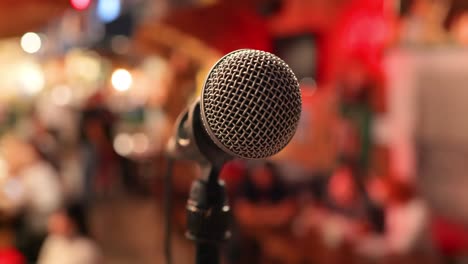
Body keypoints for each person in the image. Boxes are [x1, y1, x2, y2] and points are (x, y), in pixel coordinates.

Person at [0, 134, 63, 262]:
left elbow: (15, 202)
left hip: (40, 226)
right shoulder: (39, 169)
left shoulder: (31, 173)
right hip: (46, 220)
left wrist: (12, 176)